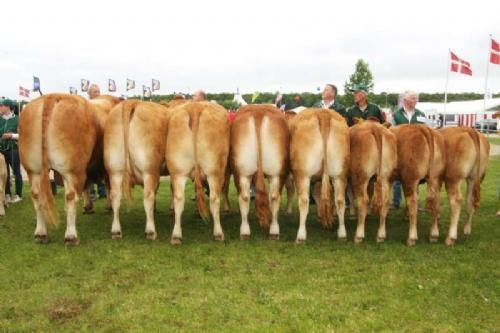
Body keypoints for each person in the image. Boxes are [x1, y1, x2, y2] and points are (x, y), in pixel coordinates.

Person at [391, 90, 427, 209]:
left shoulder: (421, 114)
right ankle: (396, 201)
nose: (416, 101)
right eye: (413, 98)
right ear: (405, 100)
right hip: (399, 148)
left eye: (416, 98)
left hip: (417, 149)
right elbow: (391, 131)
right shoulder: (396, 114)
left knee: (414, 174)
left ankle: (414, 201)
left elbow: (427, 130)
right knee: (397, 175)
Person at [0, 98, 23, 203]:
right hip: (2, 150)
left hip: (14, 150)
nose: (0, 107)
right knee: (5, 173)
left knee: (17, 173)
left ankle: (18, 195)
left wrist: (12, 135)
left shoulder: (18, 119)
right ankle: (7, 194)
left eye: (1, 105)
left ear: (8, 106)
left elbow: (24, 134)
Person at [87, 84, 106, 199]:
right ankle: (91, 192)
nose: (97, 94)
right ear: (89, 93)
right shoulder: (86, 106)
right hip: (90, 142)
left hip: (102, 142)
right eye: (94, 92)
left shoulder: (103, 107)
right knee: (88, 168)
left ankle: (102, 190)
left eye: (98, 91)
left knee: (102, 166)